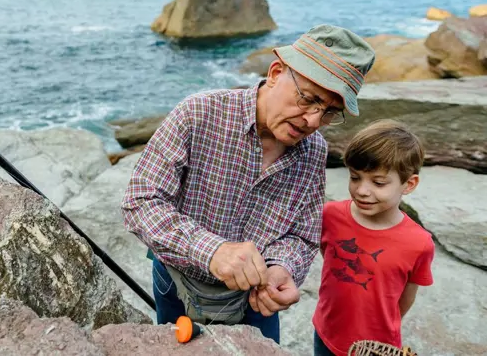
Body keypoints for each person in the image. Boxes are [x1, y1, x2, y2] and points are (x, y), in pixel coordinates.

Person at [121, 24, 376, 344]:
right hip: (177, 284)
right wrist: (212, 251)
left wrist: (283, 267)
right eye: (309, 99)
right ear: (275, 72)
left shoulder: (315, 152)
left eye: (329, 112)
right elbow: (141, 200)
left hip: (256, 301)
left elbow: (303, 234)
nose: (313, 121)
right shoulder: (198, 112)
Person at [312, 119, 435, 356]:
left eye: (378, 182)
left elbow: (406, 299)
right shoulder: (330, 215)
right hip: (326, 332)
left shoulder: (419, 243)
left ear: (409, 184)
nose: (362, 190)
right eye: (355, 177)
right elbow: (328, 255)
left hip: (378, 346)